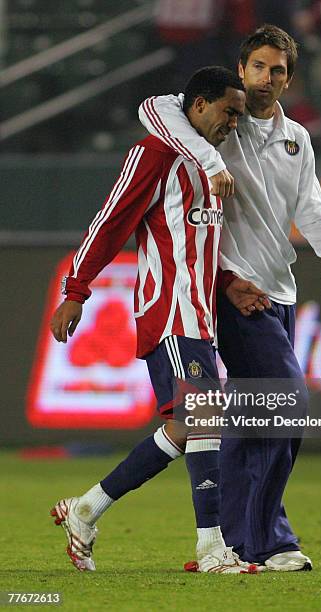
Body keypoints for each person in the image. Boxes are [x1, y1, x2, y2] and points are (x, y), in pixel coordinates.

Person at [138, 24, 321, 571]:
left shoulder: (297, 141)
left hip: (279, 289)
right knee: (285, 403)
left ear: (290, 81)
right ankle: (268, 541)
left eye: (279, 71)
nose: (267, 79)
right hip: (236, 290)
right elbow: (155, 107)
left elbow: (313, 211)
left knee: (251, 421)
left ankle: (235, 542)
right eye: (259, 67)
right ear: (241, 69)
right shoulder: (223, 122)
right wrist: (215, 162)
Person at [49, 66, 262, 575]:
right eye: (229, 112)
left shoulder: (210, 169)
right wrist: (76, 291)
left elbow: (199, 244)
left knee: (186, 427)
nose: (235, 122)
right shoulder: (155, 154)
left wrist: (229, 279)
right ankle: (212, 549)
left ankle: (85, 510)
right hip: (170, 309)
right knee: (207, 415)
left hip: (200, 312)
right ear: (200, 106)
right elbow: (110, 221)